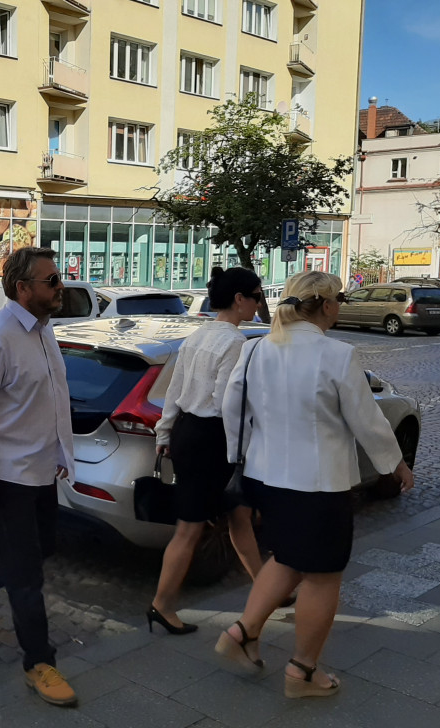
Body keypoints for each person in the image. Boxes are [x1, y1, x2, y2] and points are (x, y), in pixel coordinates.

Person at [215, 270, 414, 698]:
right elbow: (367, 420)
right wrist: (394, 463)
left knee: (286, 558)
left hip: (265, 478)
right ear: (325, 305)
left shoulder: (255, 351)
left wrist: (240, 456)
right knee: (323, 577)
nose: (340, 305)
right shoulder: (337, 355)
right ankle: (302, 671)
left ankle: (241, 633)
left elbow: (230, 408)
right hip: (318, 486)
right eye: (339, 299)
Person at [0, 247, 78, 707]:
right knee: (27, 574)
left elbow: (48, 399)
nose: (59, 286)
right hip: (7, 476)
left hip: (41, 468)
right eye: (51, 280)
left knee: (41, 549)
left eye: (58, 277)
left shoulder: (44, 331)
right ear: (22, 288)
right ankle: (39, 663)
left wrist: (62, 450)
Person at [148, 267, 267, 635]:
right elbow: (226, 405)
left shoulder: (197, 335)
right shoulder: (233, 342)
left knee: (239, 513)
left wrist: (165, 433)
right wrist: (242, 451)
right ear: (239, 299)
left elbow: (174, 391)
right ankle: (162, 605)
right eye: (257, 296)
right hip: (213, 439)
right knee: (191, 528)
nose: (260, 303)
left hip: (189, 432)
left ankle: (267, 589)